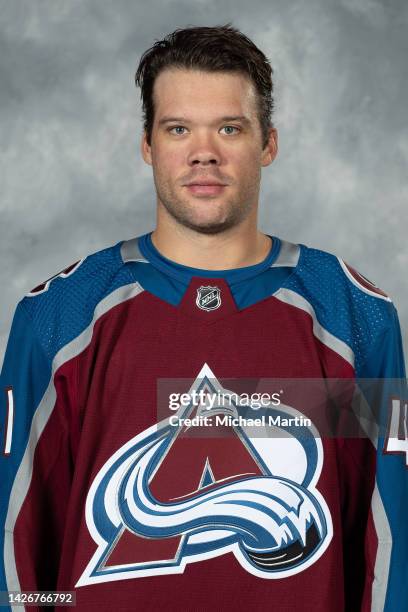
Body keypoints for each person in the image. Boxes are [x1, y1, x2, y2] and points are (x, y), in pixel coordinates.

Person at [0, 23, 406, 612]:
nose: (203, 151)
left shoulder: (355, 316)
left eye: (229, 128)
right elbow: (17, 545)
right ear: (148, 145)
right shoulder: (58, 318)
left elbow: (389, 538)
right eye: (178, 128)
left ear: (268, 143)